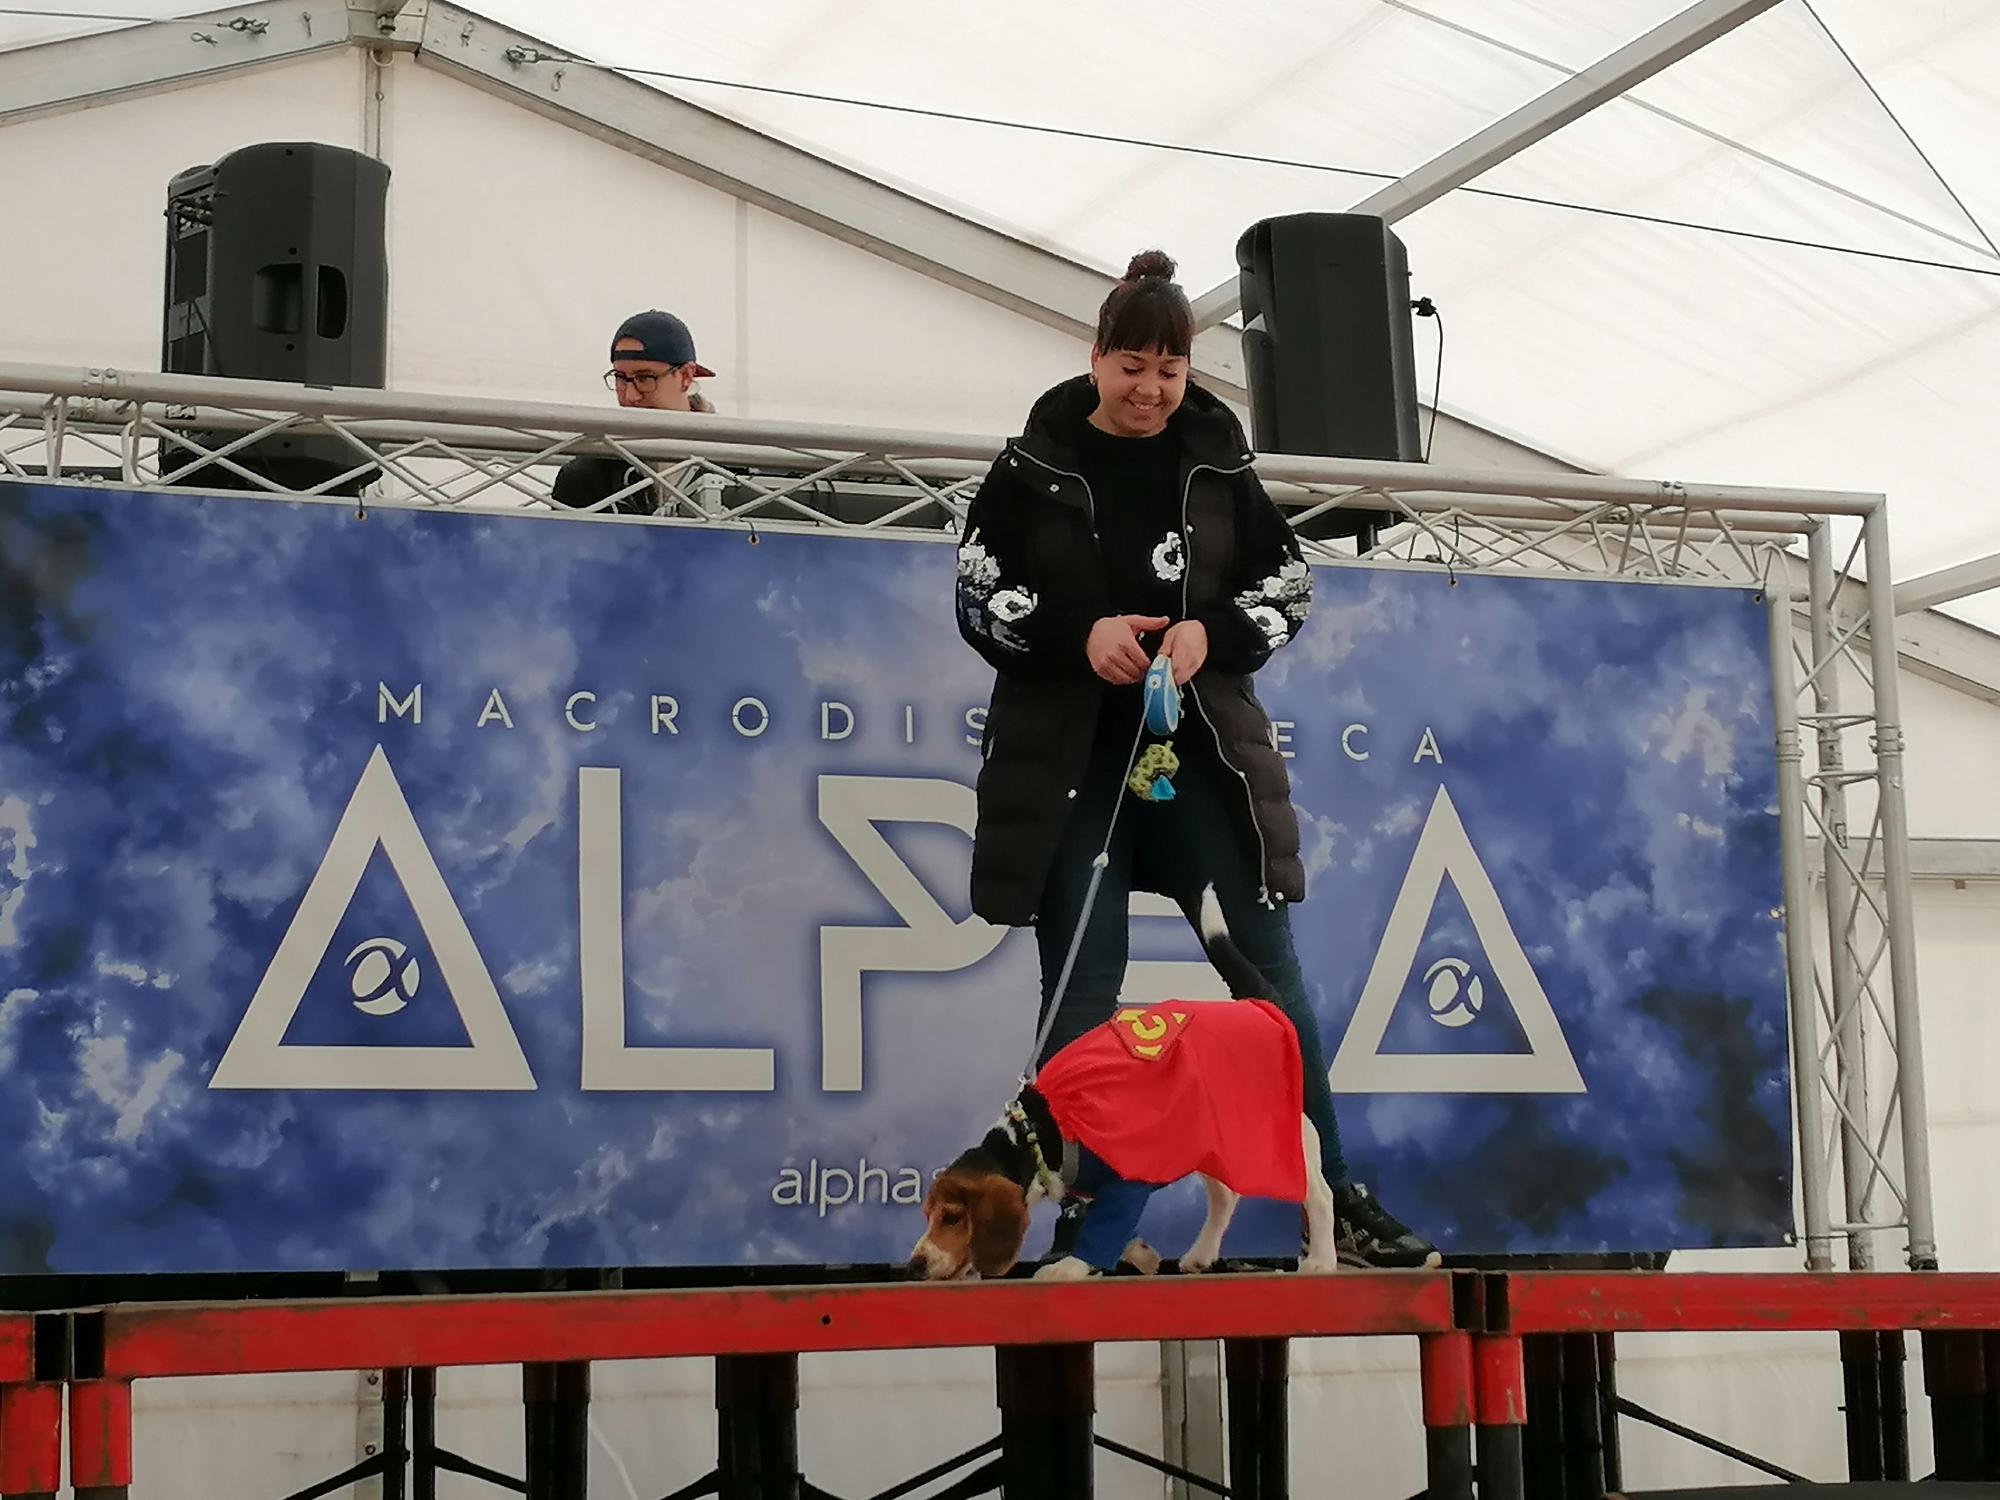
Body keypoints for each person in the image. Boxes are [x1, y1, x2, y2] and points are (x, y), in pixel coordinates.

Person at [955, 250, 1438, 1270]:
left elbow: (1287, 588)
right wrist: (1073, 635)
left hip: (1200, 763)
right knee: (1081, 1001)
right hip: (1070, 769)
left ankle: (1334, 1197)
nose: (1148, 389)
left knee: (1271, 992)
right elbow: (975, 592)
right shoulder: (1025, 469)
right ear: (1093, 358)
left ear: (1189, 372)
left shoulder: (1221, 469)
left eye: (1168, 369)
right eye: (1130, 364)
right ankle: (1087, 1229)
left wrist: (1208, 633)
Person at [551, 308, 716, 515]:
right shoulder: (586, 474)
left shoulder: (740, 463)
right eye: (620, 378)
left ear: (686, 376)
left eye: (645, 378)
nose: (630, 396)